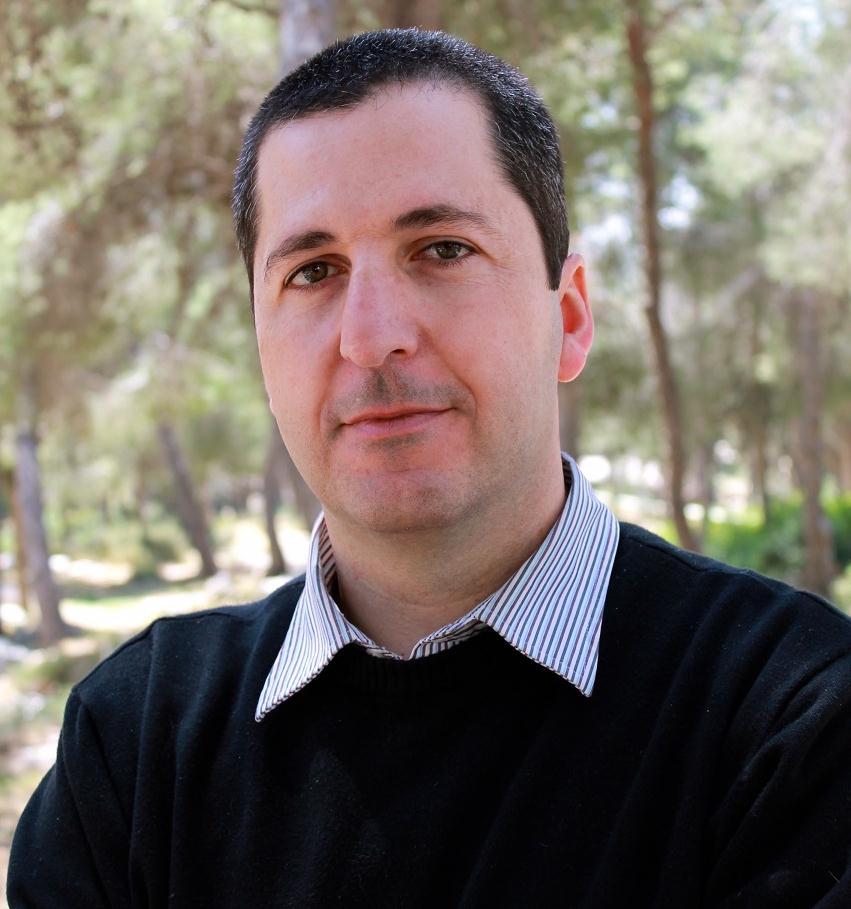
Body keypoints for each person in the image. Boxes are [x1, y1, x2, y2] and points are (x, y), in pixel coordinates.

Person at [8, 28, 851, 908]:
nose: (371, 336)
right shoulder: (135, 744)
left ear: (568, 317)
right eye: (313, 271)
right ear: (261, 344)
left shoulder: (794, 721)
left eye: (442, 249)